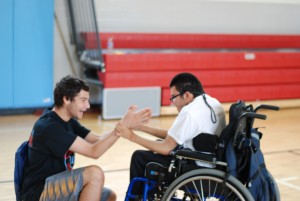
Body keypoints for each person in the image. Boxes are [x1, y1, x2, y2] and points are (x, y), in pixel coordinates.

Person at [21, 75, 152, 201]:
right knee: (95, 173)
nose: (88, 106)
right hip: (39, 192)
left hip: (56, 185)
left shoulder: (66, 120)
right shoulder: (49, 127)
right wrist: (122, 127)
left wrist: (123, 125)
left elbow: (97, 139)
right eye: (83, 100)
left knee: (108, 196)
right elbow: (93, 151)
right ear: (66, 99)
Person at [115, 72, 226, 196]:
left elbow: (166, 148)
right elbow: (174, 136)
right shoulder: (212, 102)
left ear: (187, 95)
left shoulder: (190, 112)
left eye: (174, 97)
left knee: (139, 157)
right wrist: (140, 128)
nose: (172, 102)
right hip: (210, 161)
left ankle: (137, 198)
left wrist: (131, 136)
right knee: (156, 147)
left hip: (197, 166)